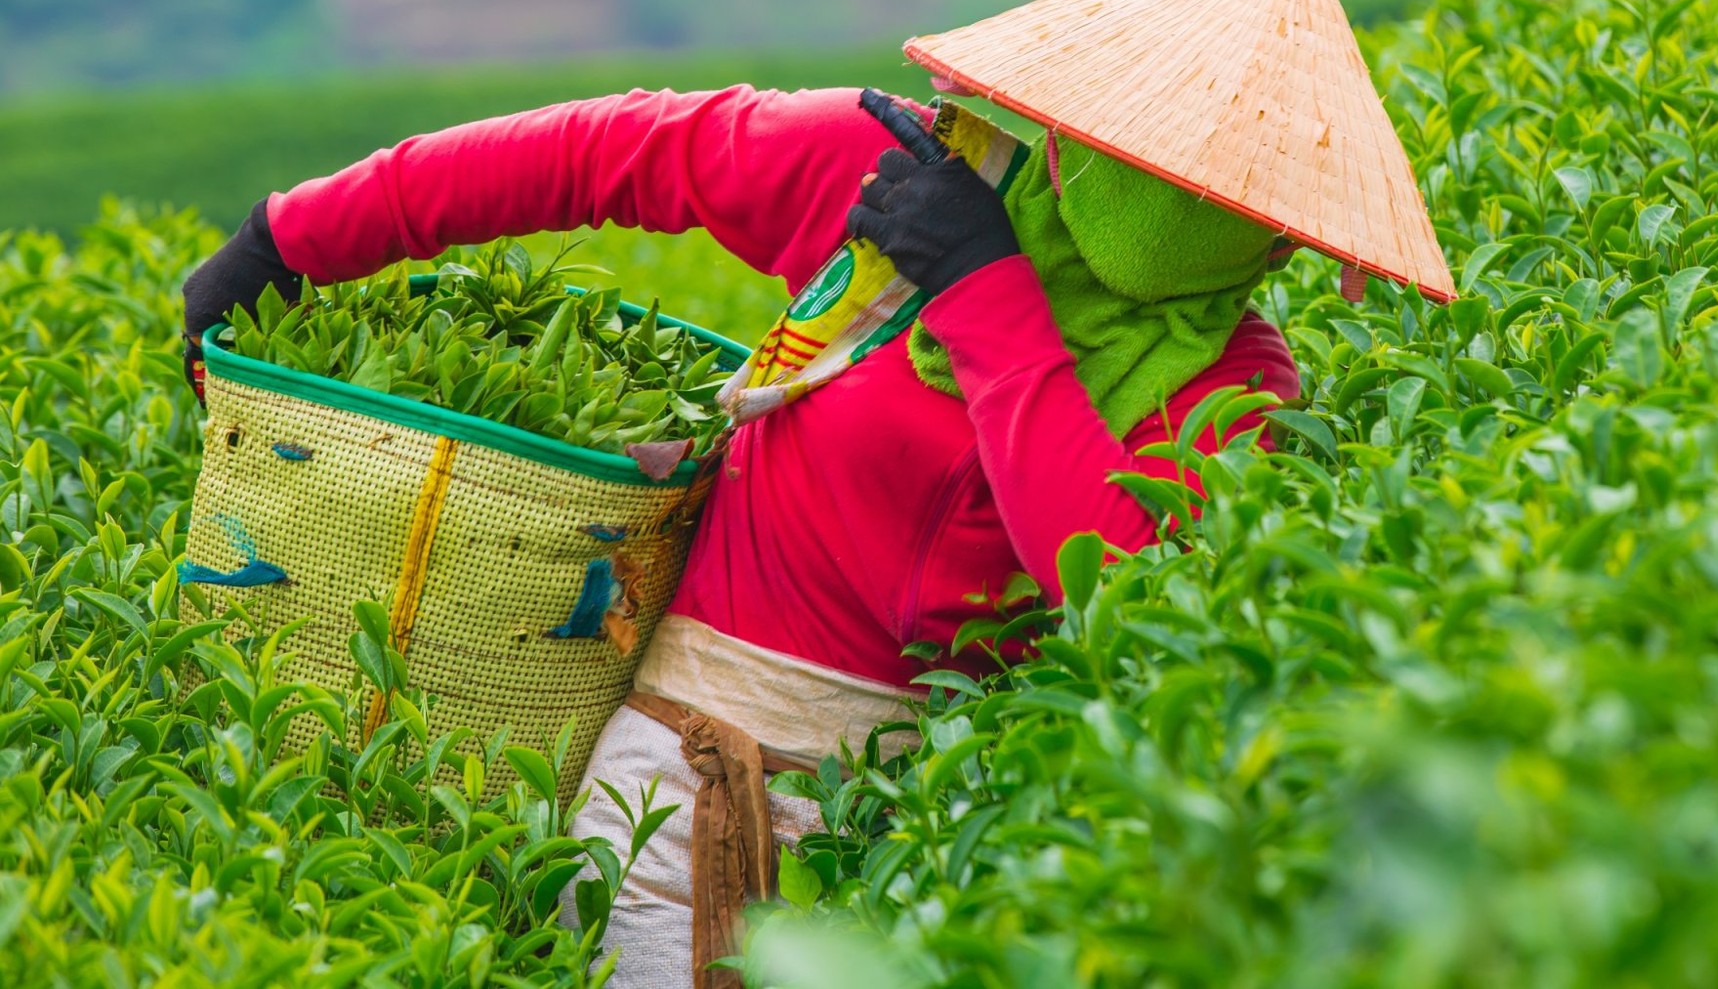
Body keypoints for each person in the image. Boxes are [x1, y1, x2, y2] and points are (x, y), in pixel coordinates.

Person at [179, 82, 1300, 986]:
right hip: (673, 795)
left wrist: (982, 290)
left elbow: (1117, 586)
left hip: (945, 845)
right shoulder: (905, 184)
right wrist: (295, 233)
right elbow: (624, 150)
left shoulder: (1237, 378)